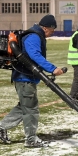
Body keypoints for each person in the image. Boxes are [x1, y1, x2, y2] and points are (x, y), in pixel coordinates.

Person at [0, 14, 64, 147]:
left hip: (25, 77)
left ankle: (2, 127)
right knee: (31, 109)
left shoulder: (34, 34)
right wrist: (52, 69)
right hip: (25, 77)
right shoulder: (34, 36)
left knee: (24, 106)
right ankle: (31, 139)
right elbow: (34, 55)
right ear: (46, 28)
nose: (52, 33)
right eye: (52, 30)